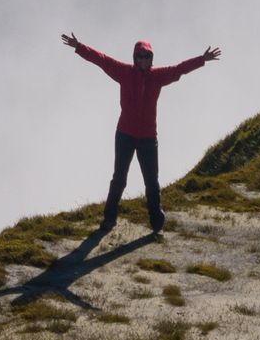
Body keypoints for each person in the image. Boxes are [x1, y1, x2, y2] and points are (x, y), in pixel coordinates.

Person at [61, 32, 222, 237]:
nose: (143, 60)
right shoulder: (124, 72)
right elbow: (101, 60)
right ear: (134, 57)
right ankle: (108, 220)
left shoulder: (158, 76)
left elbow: (180, 69)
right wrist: (79, 46)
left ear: (151, 58)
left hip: (147, 137)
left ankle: (156, 223)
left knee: (151, 181)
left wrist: (202, 59)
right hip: (125, 134)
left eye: (147, 56)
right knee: (119, 179)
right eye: (140, 56)